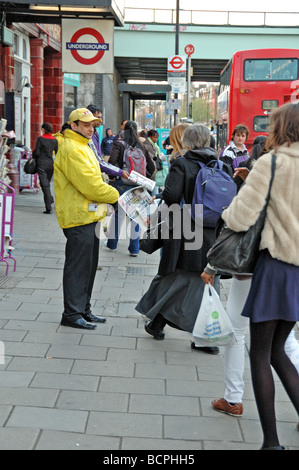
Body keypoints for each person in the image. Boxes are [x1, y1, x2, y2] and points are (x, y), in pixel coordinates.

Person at [218, 102, 299, 450]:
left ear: (282, 128)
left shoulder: (272, 162)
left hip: (276, 267)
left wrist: (232, 202)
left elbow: (239, 217)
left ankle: (271, 443)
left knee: (260, 352)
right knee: (279, 350)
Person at [136, 124, 230, 347]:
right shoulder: (221, 165)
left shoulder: (183, 163)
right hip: (213, 232)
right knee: (207, 283)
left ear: (187, 142)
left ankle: (161, 323)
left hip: (184, 228)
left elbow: (172, 196)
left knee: (179, 279)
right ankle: (199, 335)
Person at [54, 108, 119, 330]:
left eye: (92, 125)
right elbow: (90, 185)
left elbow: (95, 179)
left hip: (88, 215)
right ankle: (72, 313)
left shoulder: (83, 146)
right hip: (78, 216)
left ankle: (83, 309)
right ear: (73, 126)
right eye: (85, 125)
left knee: (89, 267)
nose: (91, 129)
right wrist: (116, 195)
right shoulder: (73, 149)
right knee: (78, 267)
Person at [105, 120, 155, 256]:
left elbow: (111, 163)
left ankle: (112, 244)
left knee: (118, 215)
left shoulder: (119, 144)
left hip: (122, 184)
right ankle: (134, 249)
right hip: (138, 186)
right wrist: (143, 178)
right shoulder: (142, 146)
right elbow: (152, 167)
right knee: (135, 216)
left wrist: (113, 176)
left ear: (124, 130)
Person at [33, 122, 58, 214]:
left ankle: (49, 207)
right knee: (46, 184)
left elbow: (37, 152)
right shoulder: (55, 140)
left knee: (45, 185)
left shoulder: (40, 139)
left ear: (43, 129)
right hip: (50, 164)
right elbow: (57, 153)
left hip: (41, 164)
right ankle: (50, 200)